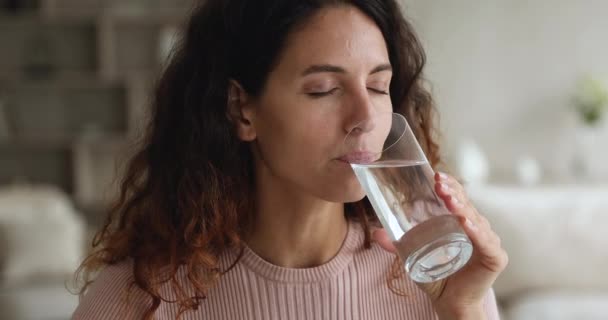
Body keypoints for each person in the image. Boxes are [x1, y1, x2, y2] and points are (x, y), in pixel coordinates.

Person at [72, 0, 508, 319]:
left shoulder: (438, 282)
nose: (364, 118)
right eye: (323, 89)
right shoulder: (143, 297)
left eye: (378, 87)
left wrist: (465, 308)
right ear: (242, 109)